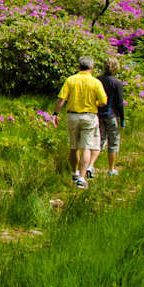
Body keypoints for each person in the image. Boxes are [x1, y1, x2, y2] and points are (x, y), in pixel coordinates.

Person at [53, 55, 106, 188]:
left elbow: (61, 99)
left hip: (72, 115)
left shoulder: (71, 80)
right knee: (86, 147)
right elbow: (104, 101)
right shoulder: (95, 82)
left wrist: (55, 113)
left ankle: (74, 172)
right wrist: (96, 104)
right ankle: (82, 179)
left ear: (79, 67)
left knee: (73, 146)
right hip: (89, 116)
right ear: (92, 68)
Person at [97, 62, 126, 177]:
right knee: (113, 142)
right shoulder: (117, 83)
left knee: (99, 141)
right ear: (116, 68)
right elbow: (119, 103)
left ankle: (90, 166)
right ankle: (111, 169)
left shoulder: (97, 80)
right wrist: (123, 119)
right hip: (111, 115)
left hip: (97, 114)